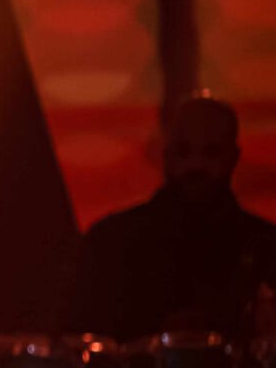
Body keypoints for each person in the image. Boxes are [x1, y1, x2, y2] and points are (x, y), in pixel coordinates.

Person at [68, 95, 276, 343]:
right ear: (166, 156)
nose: (196, 165)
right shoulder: (109, 243)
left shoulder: (266, 248)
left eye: (211, 152)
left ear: (233, 157)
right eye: (183, 151)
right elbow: (77, 338)